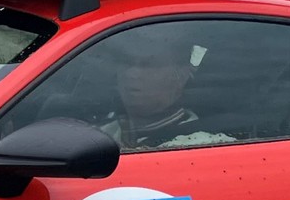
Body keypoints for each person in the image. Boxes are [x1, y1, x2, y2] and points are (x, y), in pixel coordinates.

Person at [98, 31, 233, 150]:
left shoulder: (209, 147)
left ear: (182, 76)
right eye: (126, 62)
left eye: (148, 65)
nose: (132, 73)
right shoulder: (96, 136)